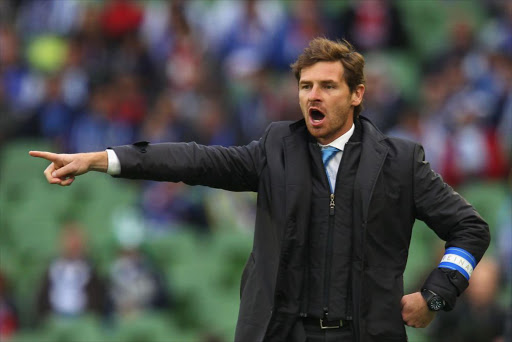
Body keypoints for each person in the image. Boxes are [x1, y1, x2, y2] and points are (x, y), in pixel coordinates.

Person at [30, 38, 490, 342]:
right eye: (305, 85)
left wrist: (435, 295)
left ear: (357, 94)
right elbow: (195, 160)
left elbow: (470, 228)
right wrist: (102, 159)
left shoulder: (401, 161)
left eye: (328, 86)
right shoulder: (276, 149)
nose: (313, 95)